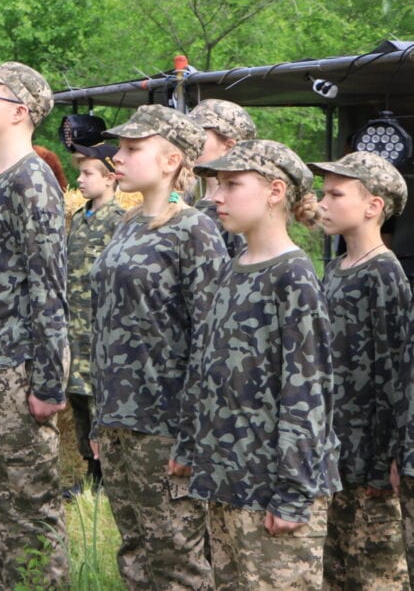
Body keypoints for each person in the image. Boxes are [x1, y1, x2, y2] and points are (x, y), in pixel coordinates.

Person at [173, 139, 340, 588]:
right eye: (216, 184)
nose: (217, 196)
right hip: (227, 483)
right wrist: (190, 447)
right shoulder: (235, 266)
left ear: (275, 191)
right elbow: (207, 365)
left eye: (232, 183)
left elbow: (307, 394)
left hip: (270, 492)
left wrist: (292, 495)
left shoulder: (293, 276)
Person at [90, 104, 224, 589]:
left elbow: (210, 339)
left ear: (171, 160)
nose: (117, 159)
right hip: (120, 418)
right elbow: (106, 325)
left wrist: (192, 435)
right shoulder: (125, 226)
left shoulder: (195, 231)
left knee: (177, 559)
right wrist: (101, 418)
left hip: (165, 425)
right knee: (134, 551)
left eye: (132, 148)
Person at [0, 62, 69, 586]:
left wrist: (48, 382)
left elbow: (49, 286)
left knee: (30, 504)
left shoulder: (32, 180)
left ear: (21, 111)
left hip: (18, 367)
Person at [310, 151, 410, 588]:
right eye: (323, 192)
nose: (322, 202)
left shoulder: (385, 273)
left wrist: (388, 459)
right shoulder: (334, 269)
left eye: (336, 193)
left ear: (374, 206)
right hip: (337, 454)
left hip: (370, 458)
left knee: (375, 572)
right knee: (337, 569)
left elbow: (396, 370)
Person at [62, 142, 125, 499]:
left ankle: (107, 477)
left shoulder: (118, 221)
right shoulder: (80, 218)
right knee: (80, 402)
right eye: (80, 172)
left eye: (88, 174)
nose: (80, 180)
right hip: (76, 329)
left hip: (100, 332)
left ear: (111, 178)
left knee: (101, 403)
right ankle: (90, 471)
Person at [189, 99, 256, 258]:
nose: (189, 141)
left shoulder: (238, 210)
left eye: (198, 135)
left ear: (229, 146)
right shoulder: (189, 199)